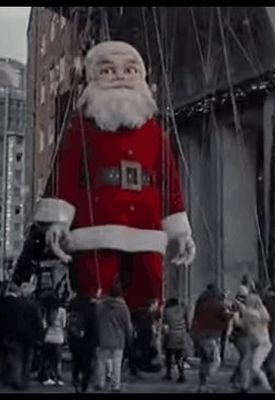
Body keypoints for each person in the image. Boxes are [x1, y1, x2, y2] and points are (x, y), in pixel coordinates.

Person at [30, 40, 196, 311]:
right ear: (93, 79)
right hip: (95, 226)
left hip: (147, 228)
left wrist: (180, 232)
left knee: (148, 301)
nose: (120, 76)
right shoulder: (81, 127)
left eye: (129, 70)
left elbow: (170, 183)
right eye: (108, 71)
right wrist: (58, 221)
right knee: (95, 297)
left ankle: (144, 344)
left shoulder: (155, 132)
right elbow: (67, 173)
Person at [190, 284, 232, 393]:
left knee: (204, 361)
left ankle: (202, 385)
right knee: (215, 360)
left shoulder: (201, 301)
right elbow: (226, 316)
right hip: (210, 336)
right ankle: (206, 379)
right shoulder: (216, 304)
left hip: (199, 334)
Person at [95, 281, 134, 392]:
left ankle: (100, 383)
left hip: (103, 337)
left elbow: (96, 321)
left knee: (101, 362)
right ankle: (115, 385)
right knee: (117, 363)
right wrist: (129, 337)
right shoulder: (123, 307)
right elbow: (128, 325)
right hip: (118, 339)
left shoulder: (101, 306)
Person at [67, 292, 97, 393]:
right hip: (88, 341)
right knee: (87, 365)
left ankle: (76, 380)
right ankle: (84, 384)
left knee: (76, 362)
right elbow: (95, 326)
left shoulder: (75, 307)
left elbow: (70, 324)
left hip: (76, 340)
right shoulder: (93, 307)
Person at [40, 294, 67, 387]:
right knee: (58, 360)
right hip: (58, 338)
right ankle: (58, 378)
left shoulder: (46, 311)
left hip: (48, 338)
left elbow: (44, 325)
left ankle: (47, 378)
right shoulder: (62, 311)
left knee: (47, 359)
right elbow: (64, 325)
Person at [162, 298, 189, 383]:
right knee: (179, 356)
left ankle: (168, 374)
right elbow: (187, 323)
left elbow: (165, 324)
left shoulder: (167, 311)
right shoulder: (182, 309)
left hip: (171, 335)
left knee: (168, 355)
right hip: (181, 335)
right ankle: (181, 374)